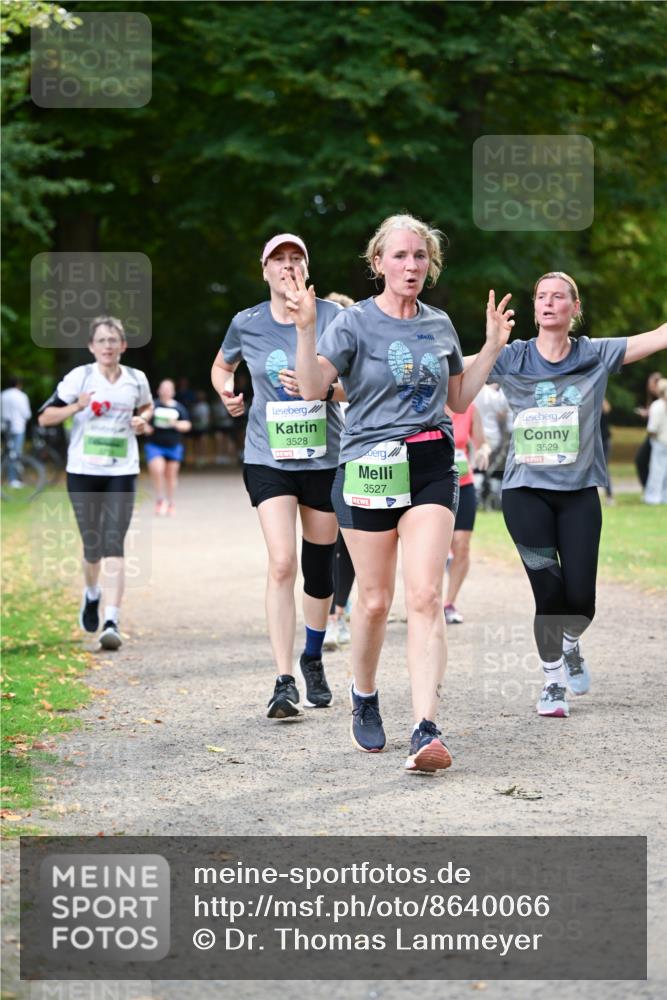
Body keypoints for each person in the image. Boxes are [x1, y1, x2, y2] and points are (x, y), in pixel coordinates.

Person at [291, 213, 515, 772]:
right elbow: (316, 388)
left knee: (423, 596)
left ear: (429, 265)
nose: (411, 265)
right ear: (378, 263)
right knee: (372, 600)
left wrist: (489, 347)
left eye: (420, 257)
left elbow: (459, 399)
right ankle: (363, 693)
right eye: (400, 256)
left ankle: (425, 727)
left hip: (432, 462)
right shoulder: (352, 323)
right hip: (368, 463)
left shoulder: (439, 324)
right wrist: (303, 328)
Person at [479, 271, 667, 718]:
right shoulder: (512, 357)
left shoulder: (597, 354)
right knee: (548, 589)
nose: (547, 302)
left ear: (573, 308)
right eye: (540, 295)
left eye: (558, 296)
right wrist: (490, 343)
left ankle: (570, 643)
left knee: (580, 599)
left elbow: (659, 336)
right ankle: (551, 683)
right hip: (525, 491)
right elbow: (452, 372)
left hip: (580, 492)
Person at [211, 233, 344, 719]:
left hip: (324, 458)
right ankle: (284, 679)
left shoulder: (333, 317)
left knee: (318, 567)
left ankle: (312, 655)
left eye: (295, 259)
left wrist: (328, 392)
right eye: (278, 260)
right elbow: (221, 366)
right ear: (264, 269)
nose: (287, 267)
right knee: (282, 562)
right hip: (268, 456)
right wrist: (227, 391)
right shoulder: (246, 322)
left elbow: (360, 383)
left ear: (307, 268)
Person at [38, 316, 152, 651]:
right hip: (84, 471)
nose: (107, 346)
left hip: (122, 471)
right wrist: (77, 405)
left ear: (123, 346)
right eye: (101, 341)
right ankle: (92, 594)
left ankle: (112, 620)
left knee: (113, 542)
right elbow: (45, 416)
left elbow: (147, 405)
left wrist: (142, 420)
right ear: (92, 347)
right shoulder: (80, 377)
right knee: (92, 547)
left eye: (113, 340)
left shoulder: (136, 378)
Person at [443, 403, 489, 625]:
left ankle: (448, 603)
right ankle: (427, 601)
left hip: (463, 484)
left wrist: (482, 452)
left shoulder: (469, 408)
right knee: (442, 545)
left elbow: (483, 443)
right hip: (435, 486)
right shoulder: (424, 401)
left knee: (461, 543)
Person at [143, 378, 192, 515]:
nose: (165, 391)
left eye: (168, 389)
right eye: (163, 389)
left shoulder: (179, 408)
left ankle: (170, 502)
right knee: (158, 470)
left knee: (171, 475)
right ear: (158, 390)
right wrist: (147, 428)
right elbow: (143, 422)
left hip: (173, 445)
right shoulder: (153, 406)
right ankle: (160, 499)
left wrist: (175, 424)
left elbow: (187, 425)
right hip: (155, 445)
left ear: (173, 392)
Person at [1, 376, 32, 487]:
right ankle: (13, 479)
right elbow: (27, 414)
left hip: (5, 427)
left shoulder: (3, 395)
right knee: (15, 453)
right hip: (18, 427)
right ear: (18, 384)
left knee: (6, 452)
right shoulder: (21, 396)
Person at [644, 377, 667, 504]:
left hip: (659, 442)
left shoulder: (657, 406)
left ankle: (653, 498)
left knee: (657, 470)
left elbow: (652, 428)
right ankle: (665, 497)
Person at [600, 398, 614, 504]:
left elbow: (607, 408)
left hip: (604, 441)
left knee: (604, 468)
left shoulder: (601, 404)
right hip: (598, 441)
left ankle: (609, 496)